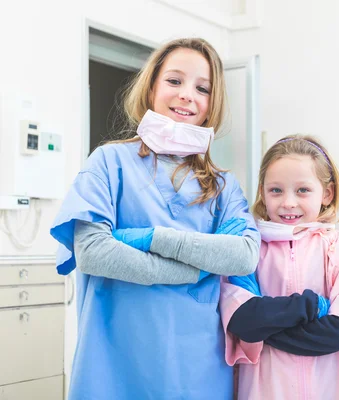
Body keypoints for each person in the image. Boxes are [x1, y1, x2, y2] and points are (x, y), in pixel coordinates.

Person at [50, 38, 260, 399]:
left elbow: (242, 256)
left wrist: (146, 237)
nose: (187, 95)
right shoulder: (109, 163)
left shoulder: (223, 186)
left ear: (213, 104)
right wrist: (196, 270)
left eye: (202, 88)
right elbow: (93, 252)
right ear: (151, 90)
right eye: (174, 81)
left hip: (197, 365)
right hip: (115, 360)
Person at [218, 135, 339, 399]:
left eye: (302, 190)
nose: (288, 202)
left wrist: (268, 327)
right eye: (276, 190)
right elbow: (244, 321)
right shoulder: (247, 249)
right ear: (263, 194)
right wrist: (307, 308)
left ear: (327, 194)